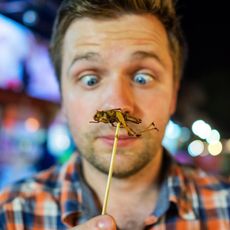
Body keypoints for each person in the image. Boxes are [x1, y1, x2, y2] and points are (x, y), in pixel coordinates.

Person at [0, 0, 230, 229]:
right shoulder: (9, 213)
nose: (117, 105)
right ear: (63, 97)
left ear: (173, 96)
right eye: (90, 79)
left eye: (142, 78)